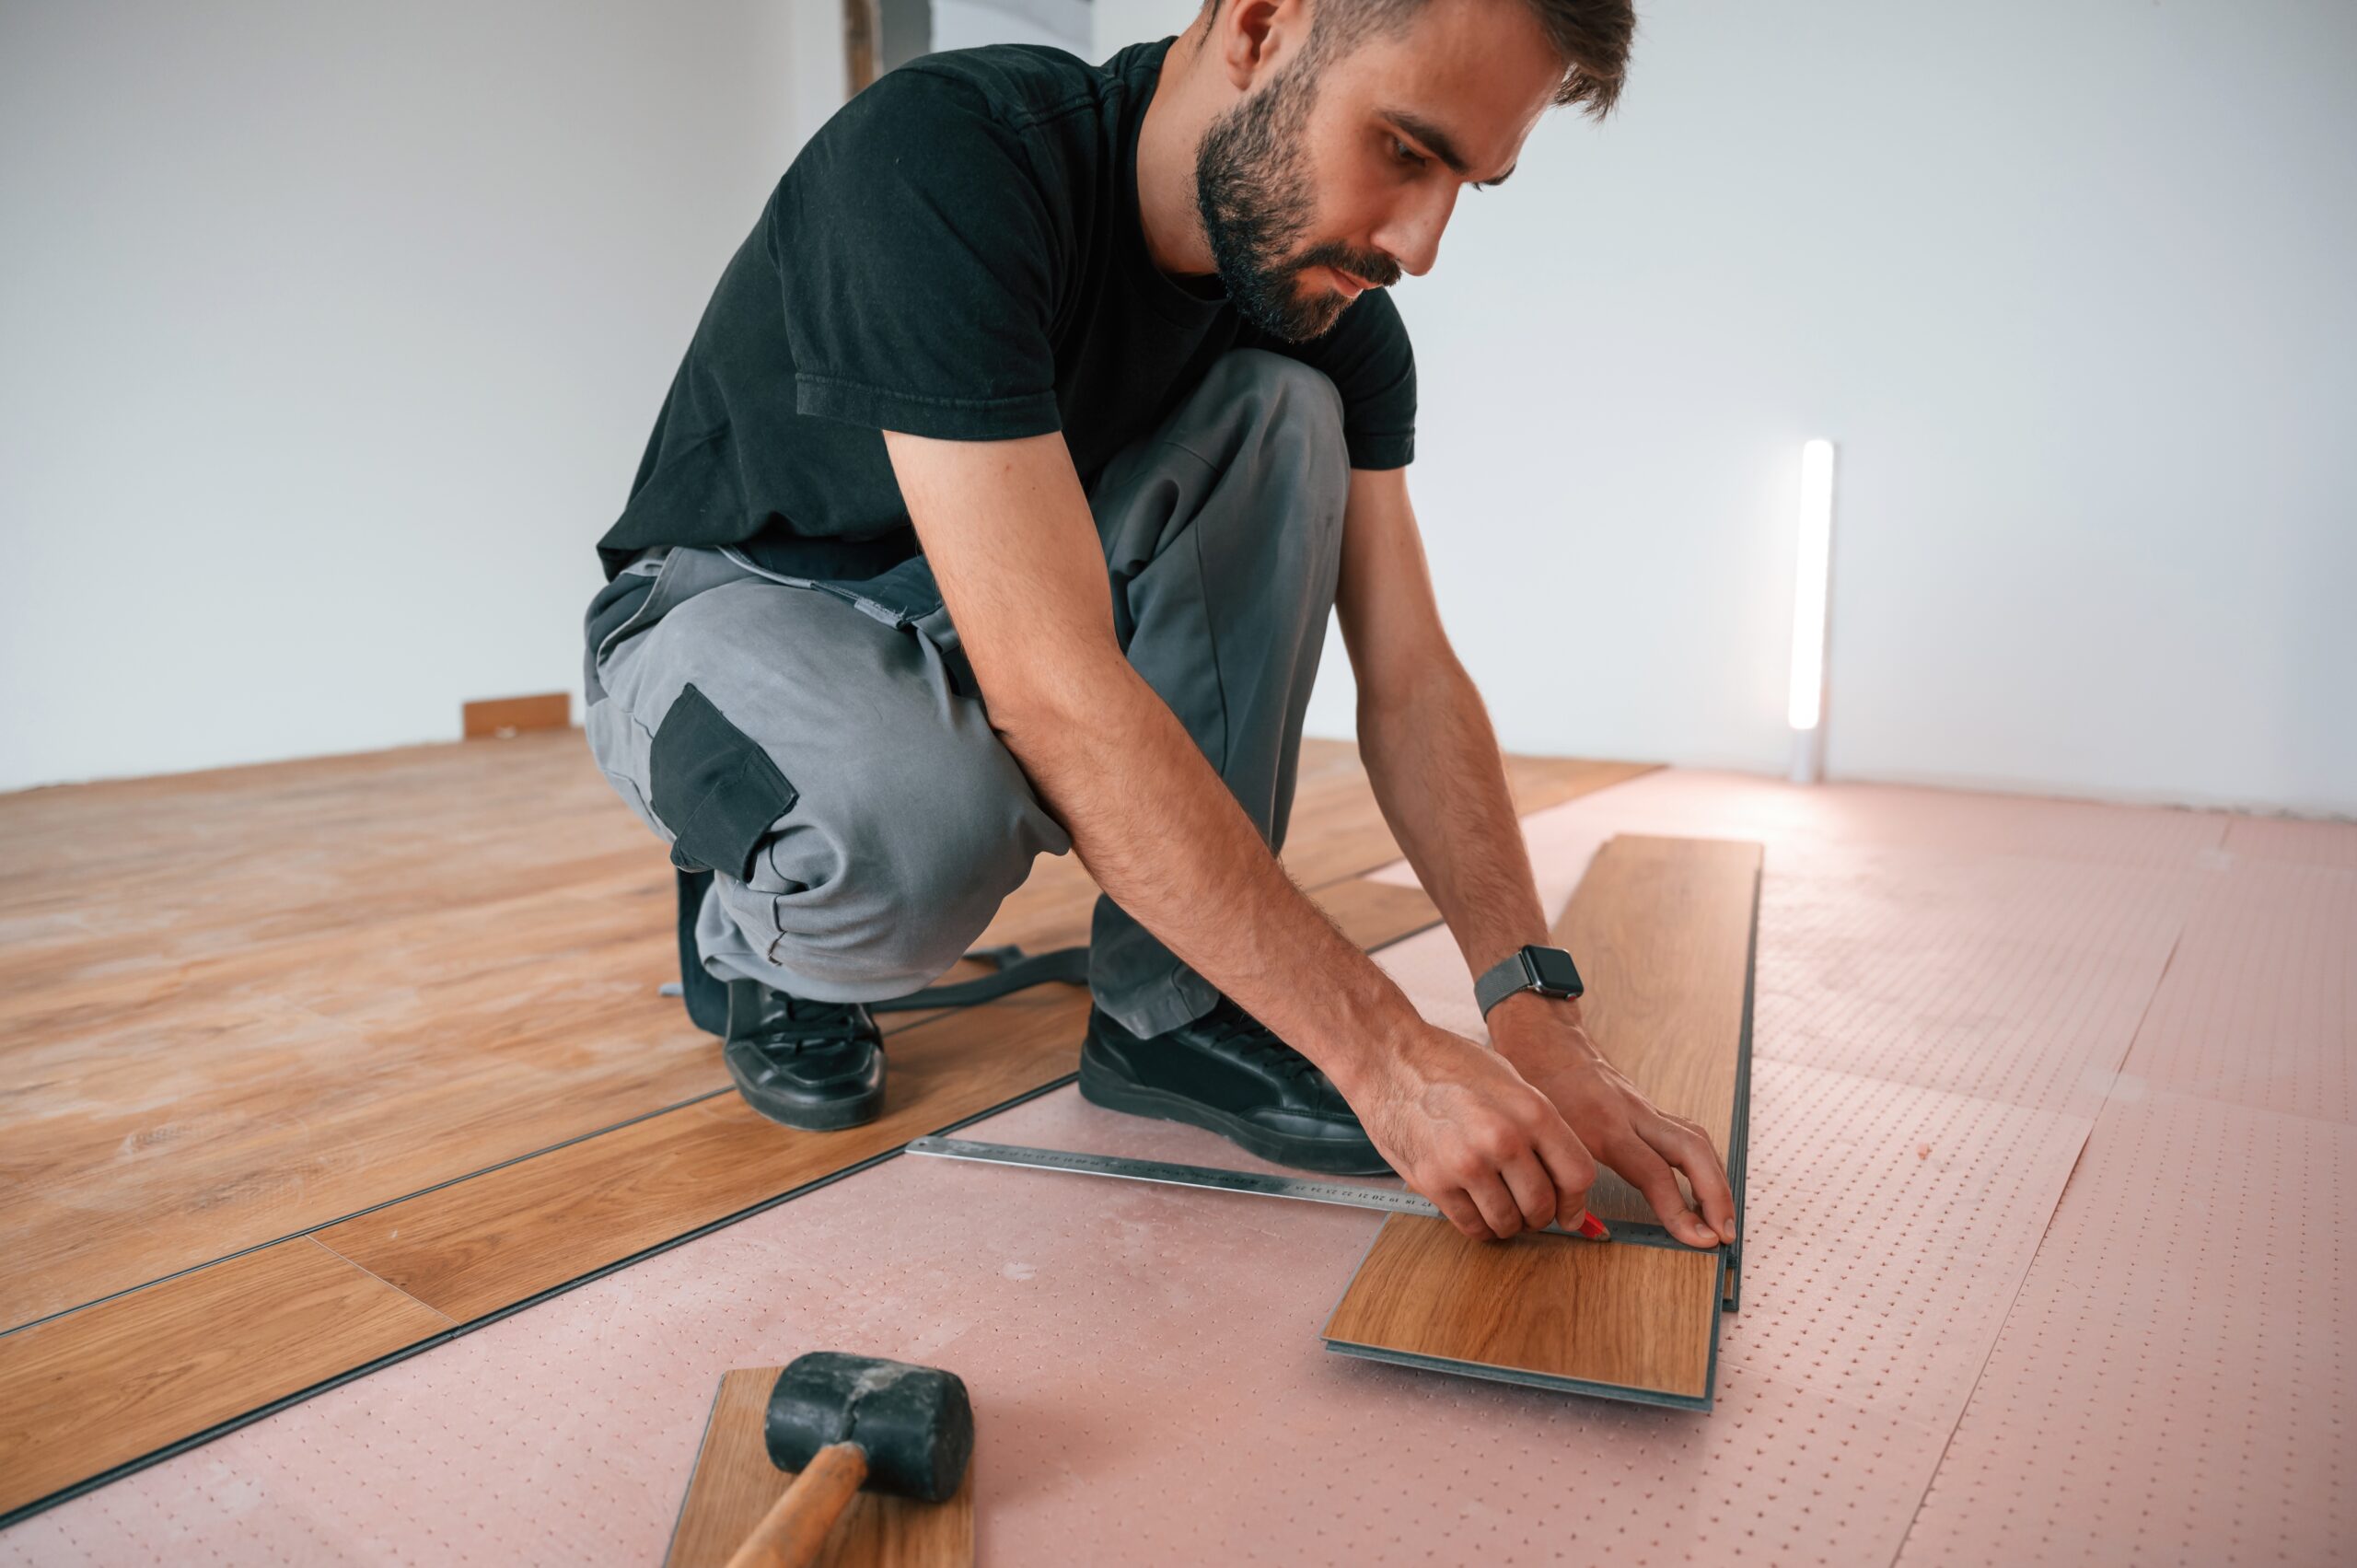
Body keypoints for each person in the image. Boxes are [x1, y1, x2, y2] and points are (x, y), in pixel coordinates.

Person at [580, 0, 1736, 1251]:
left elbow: (1409, 678)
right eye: (1405, 149)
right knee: (919, 835)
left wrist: (1537, 1024)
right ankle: (761, 934)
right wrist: (1384, 1055)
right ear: (1256, 27)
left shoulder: (1326, 312)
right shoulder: (947, 160)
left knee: (1291, 415)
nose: (1423, 239)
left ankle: (1169, 1014)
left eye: (1469, 181)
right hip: (738, 610)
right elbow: (1055, 693)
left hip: (1008, 616)